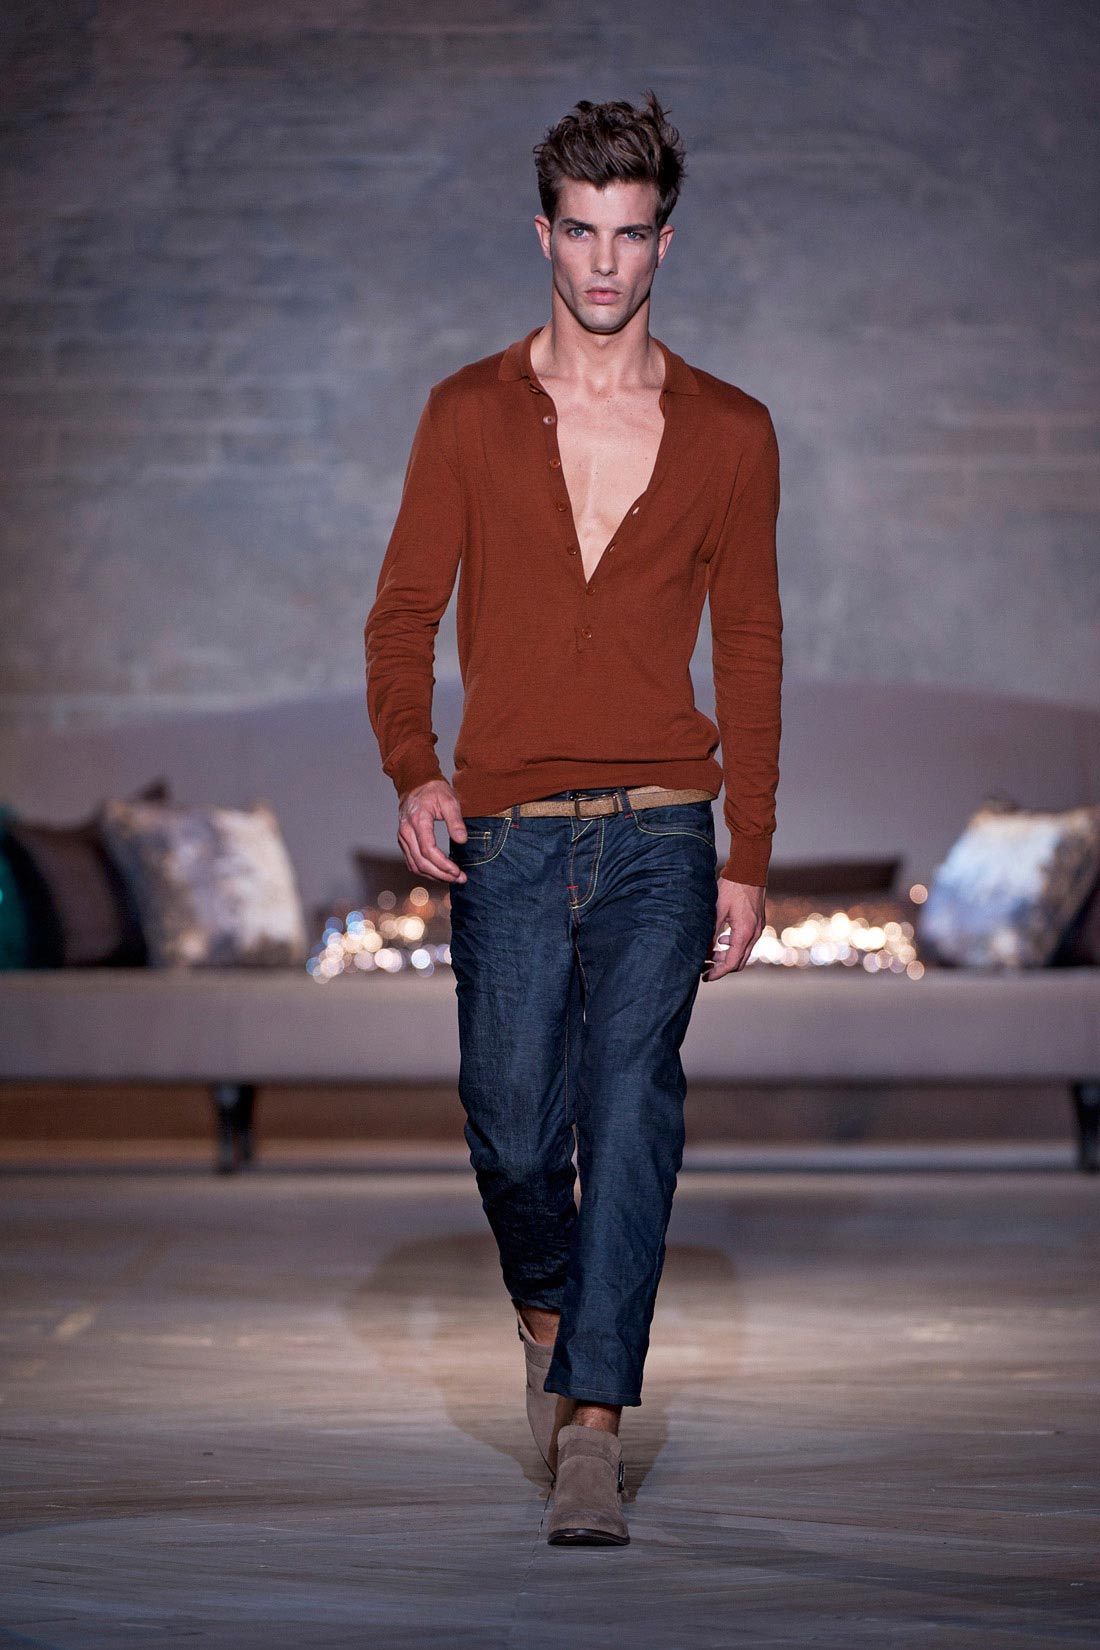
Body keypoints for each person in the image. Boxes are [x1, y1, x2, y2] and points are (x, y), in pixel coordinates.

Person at [364, 89, 782, 1546]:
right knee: (507, 1121)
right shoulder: (466, 413)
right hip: (510, 828)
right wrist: (416, 765)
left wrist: (748, 854)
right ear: (543, 234)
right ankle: (551, 1315)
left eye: (632, 234)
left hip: (665, 827)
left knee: (631, 1104)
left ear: (667, 241)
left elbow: (752, 646)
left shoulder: (731, 429)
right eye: (583, 232)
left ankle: (595, 1424)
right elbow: (404, 613)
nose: (606, 262)